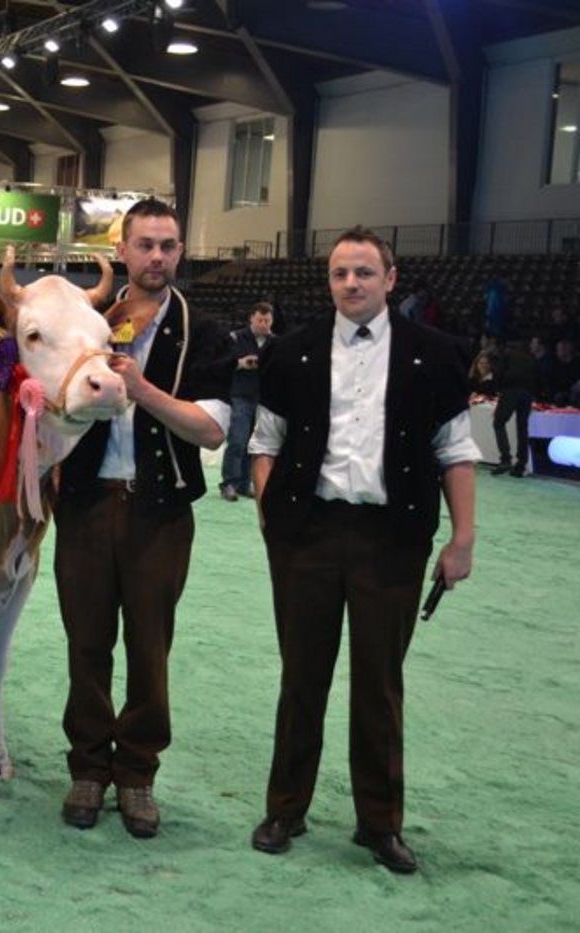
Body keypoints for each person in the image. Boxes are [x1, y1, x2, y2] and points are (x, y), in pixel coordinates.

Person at [247, 226, 477, 874]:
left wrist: (463, 538)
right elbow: (265, 442)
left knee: (379, 684)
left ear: (391, 279)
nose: (352, 283)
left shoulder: (435, 353)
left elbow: (456, 450)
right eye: (341, 273)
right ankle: (286, 807)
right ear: (329, 281)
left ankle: (380, 824)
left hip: (392, 540)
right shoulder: (291, 351)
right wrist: (271, 513)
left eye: (365, 273)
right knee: (302, 678)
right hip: (308, 536)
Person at [53, 199, 231, 839]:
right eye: (146, 244)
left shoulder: (205, 332)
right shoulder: (86, 324)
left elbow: (211, 432)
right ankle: (88, 768)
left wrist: (144, 391)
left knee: (149, 648)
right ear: (122, 250)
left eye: (169, 245)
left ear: (180, 252)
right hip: (85, 504)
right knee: (85, 643)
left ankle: (137, 776)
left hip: (160, 512)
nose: (157, 257)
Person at [220, 302, 275, 501]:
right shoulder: (236, 338)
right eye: (260, 320)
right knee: (237, 441)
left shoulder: (275, 342)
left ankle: (245, 483)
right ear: (251, 318)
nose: (263, 324)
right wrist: (240, 363)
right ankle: (229, 484)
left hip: (263, 399)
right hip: (240, 396)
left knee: (254, 446)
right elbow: (222, 364)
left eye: (267, 321)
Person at [490, 338, 539, 476]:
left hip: (511, 390)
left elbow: (498, 373)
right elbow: (539, 378)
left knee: (499, 422)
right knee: (522, 427)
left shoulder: (507, 355)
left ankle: (505, 459)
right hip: (528, 393)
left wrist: (498, 389)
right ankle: (521, 465)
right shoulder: (531, 358)